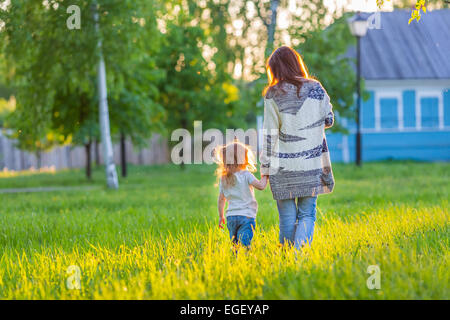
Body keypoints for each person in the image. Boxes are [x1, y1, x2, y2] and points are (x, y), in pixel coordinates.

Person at [260, 46, 335, 249]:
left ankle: (286, 258)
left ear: (275, 69)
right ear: (296, 63)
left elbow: (269, 134)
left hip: (282, 167)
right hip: (311, 165)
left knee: (286, 217)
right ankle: (298, 256)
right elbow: (329, 119)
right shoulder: (316, 88)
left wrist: (264, 169)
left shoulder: (272, 94)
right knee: (307, 214)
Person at [216, 141, 268, 247]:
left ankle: (235, 261)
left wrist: (221, 216)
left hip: (231, 217)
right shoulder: (246, 175)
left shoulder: (224, 178)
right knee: (244, 246)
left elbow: (221, 199)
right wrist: (265, 176)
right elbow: (261, 186)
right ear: (244, 159)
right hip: (246, 216)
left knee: (235, 246)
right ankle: (244, 261)